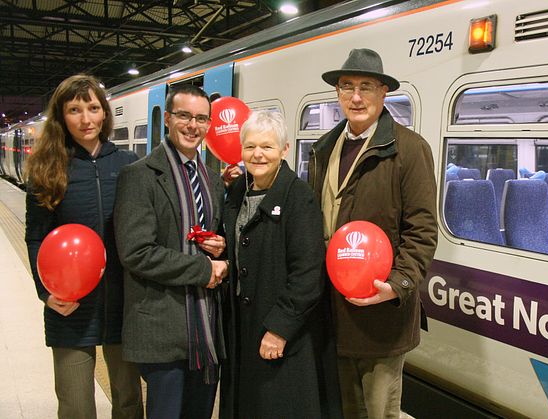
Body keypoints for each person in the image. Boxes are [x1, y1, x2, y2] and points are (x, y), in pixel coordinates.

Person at [309, 48, 438, 418]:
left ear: (384, 93)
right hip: (332, 311)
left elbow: (423, 229)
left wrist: (397, 284)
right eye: (347, 86)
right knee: (344, 408)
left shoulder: (410, 150)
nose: (356, 96)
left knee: (379, 411)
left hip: (381, 316)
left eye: (366, 86)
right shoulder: (324, 149)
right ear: (337, 93)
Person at [24, 74, 144, 419]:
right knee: (76, 405)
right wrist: (45, 293)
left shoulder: (127, 165)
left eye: (93, 108)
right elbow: (36, 237)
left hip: (123, 301)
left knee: (129, 401)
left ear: (105, 113)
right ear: (62, 116)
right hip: (69, 304)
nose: (86, 119)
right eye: (75, 109)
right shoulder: (49, 169)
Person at [114, 84, 229, 419]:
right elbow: (136, 252)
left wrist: (219, 244)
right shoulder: (139, 176)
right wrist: (205, 270)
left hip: (205, 328)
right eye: (184, 116)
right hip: (161, 327)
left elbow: (213, 237)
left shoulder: (212, 179)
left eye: (201, 119)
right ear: (166, 119)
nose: (192, 125)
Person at [219, 110, 342, 418]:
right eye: (250, 146)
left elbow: (308, 273)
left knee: (278, 406)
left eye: (267, 146)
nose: (257, 154)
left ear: (284, 150)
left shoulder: (298, 198)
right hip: (242, 327)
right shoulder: (236, 191)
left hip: (282, 332)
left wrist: (279, 329)